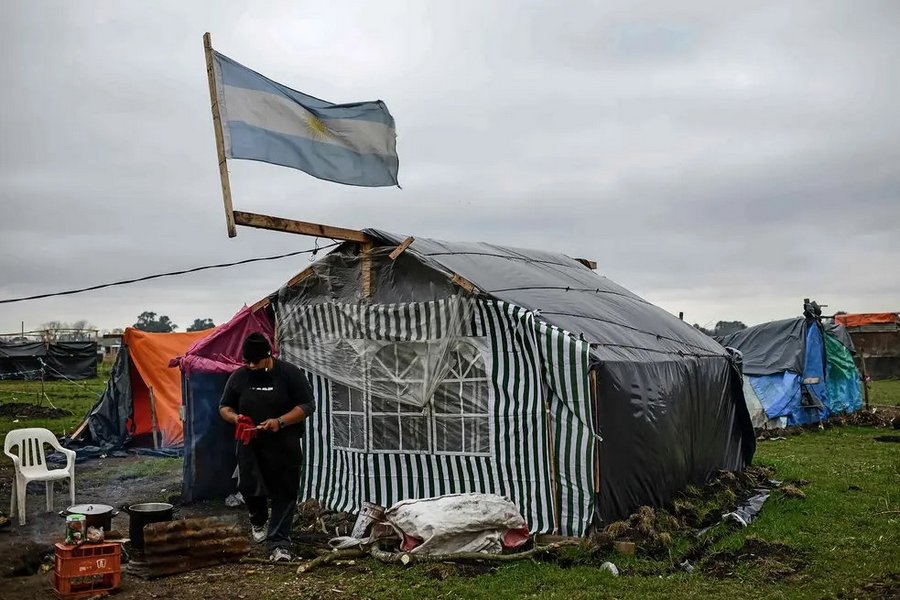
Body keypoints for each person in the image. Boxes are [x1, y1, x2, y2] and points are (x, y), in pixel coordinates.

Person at [219, 332, 315, 562]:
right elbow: (224, 407)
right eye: (247, 362)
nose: (251, 366)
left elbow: (308, 405)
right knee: (250, 488)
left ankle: (279, 543)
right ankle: (258, 517)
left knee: (284, 492)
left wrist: (279, 421)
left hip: (284, 444)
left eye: (256, 362)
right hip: (249, 444)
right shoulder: (238, 377)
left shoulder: (290, 374)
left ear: (268, 355)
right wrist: (236, 418)